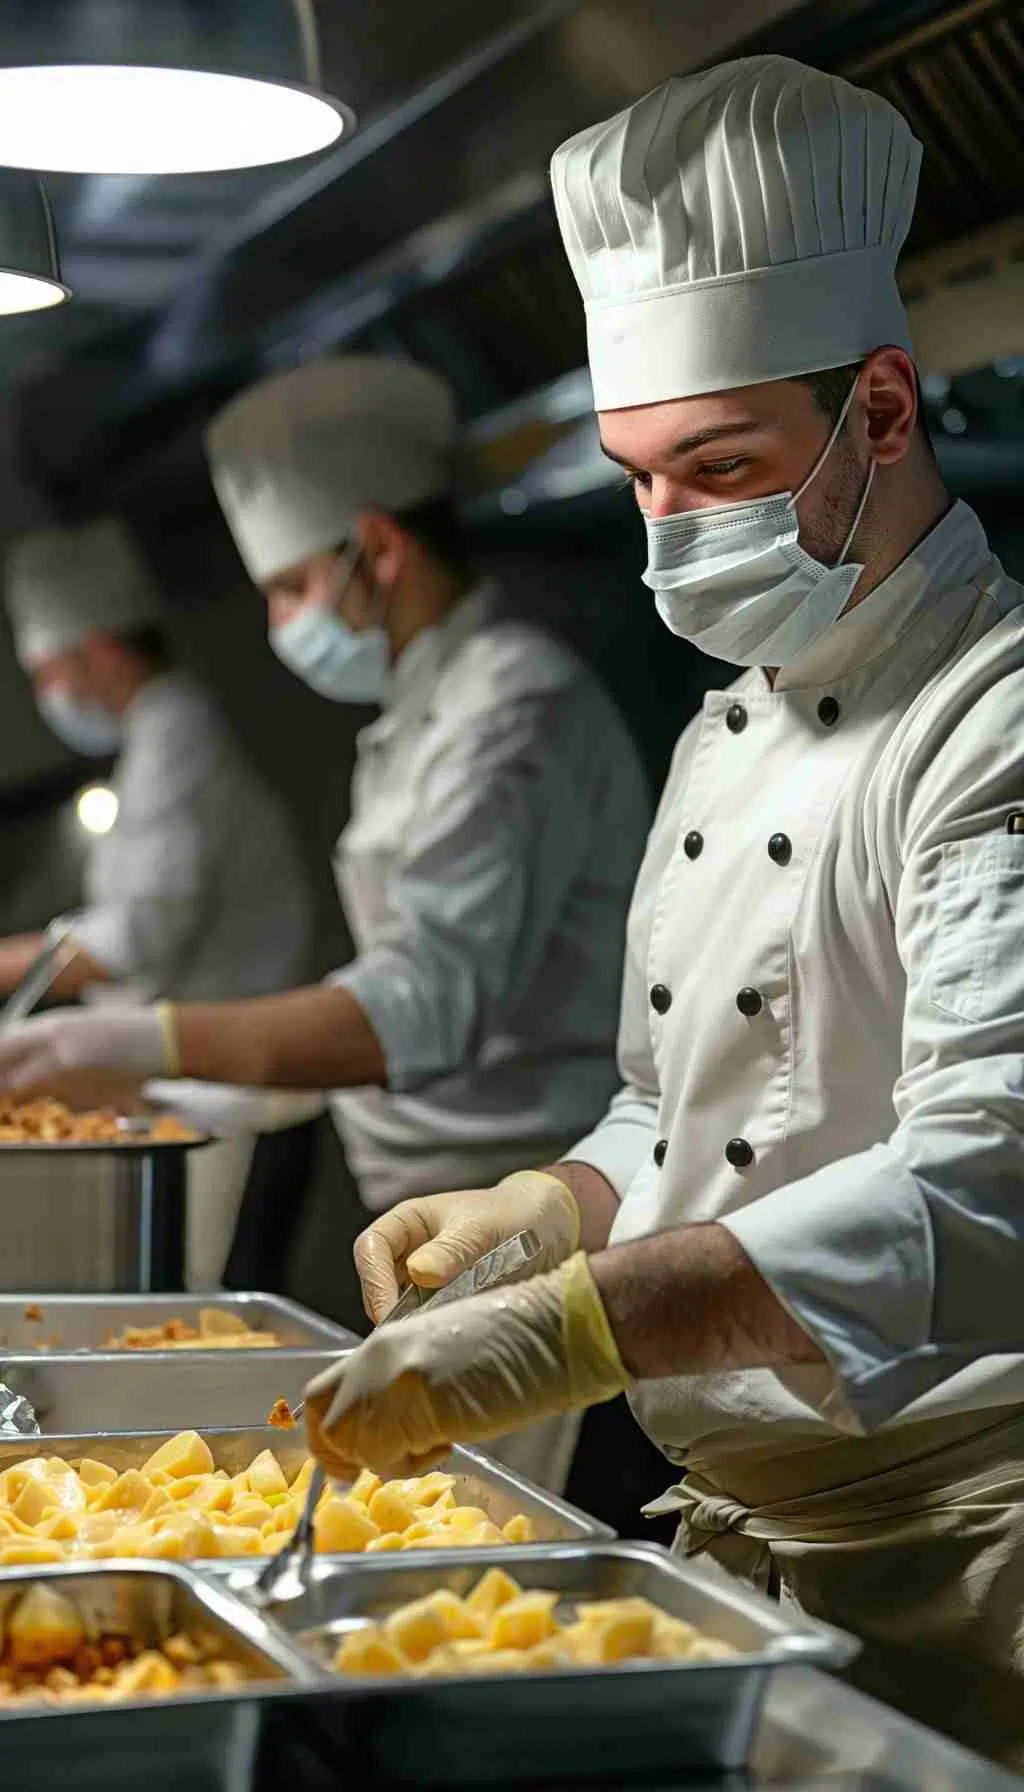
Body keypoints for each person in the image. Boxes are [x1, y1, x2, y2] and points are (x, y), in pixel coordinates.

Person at [291, 59, 1024, 1767]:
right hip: (743, 1540)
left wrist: (574, 1324)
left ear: (884, 412)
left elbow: (984, 1175)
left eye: (716, 465)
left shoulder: (989, 719)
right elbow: (672, 1103)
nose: (672, 532)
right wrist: (538, 1210)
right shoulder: (723, 721)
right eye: (634, 479)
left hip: (965, 1548)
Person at [0, 356, 651, 1492]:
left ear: (379, 551)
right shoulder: (424, 712)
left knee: (494, 1520)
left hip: (525, 1196)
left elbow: (423, 1002)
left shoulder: (515, 708)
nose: (278, 621)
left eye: (290, 586)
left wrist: (137, 1040)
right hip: (428, 1191)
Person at [0, 516, 312, 1286]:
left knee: (205, 1318)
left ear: (101, 650)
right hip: (202, 1093)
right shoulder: (151, 743)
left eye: (47, 672)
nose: (47, 695)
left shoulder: (178, 730)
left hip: (233, 1103)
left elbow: (135, 937)